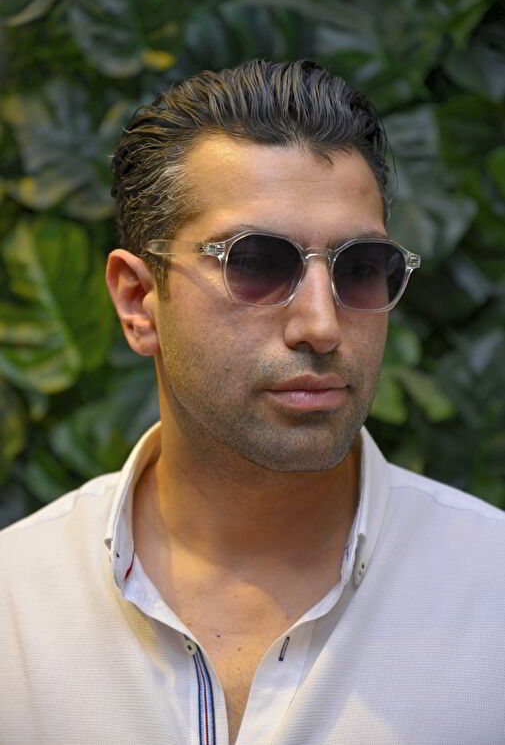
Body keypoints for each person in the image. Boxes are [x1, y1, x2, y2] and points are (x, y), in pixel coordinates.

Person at [1, 59, 504, 745]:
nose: (321, 325)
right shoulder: (17, 607)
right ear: (139, 301)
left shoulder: (489, 589)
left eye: (361, 269)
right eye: (256, 263)